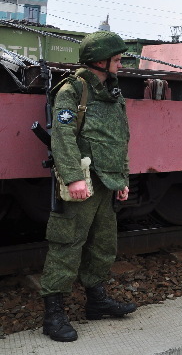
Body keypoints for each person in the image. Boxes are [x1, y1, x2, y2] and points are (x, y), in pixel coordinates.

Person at [40, 31, 137, 342]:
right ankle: (53, 314)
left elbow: (120, 138)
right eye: (117, 60)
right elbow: (62, 136)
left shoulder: (113, 93)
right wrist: (73, 177)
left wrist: (122, 178)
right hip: (83, 182)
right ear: (100, 60)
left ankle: (96, 301)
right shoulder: (72, 90)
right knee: (66, 245)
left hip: (107, 182)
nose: (121, 65)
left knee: (103, 244)